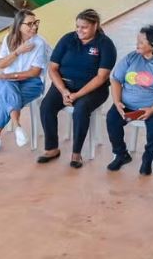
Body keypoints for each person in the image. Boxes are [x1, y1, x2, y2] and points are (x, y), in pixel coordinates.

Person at [38, 9, 116, 168]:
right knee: (46, 106)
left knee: (81, 110)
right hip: (64, 85)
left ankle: (76, 153)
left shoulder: (105, 45)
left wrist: (77, 95)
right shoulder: (68, 39)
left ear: (95, 26)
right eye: (77, 26)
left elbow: (101, 77)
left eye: (84, 27)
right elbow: (52, 68)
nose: (79, 30)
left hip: (93, 90)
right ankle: (52, 148)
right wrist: (64, 91)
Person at [106, 24, 153, 175]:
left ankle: (148, 157)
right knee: (112, 119)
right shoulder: (131, 57)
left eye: (141, 42)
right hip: (127, 105)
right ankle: (121, 154)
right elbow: (115, 79)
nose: (137, 44)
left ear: (152, 45)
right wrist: (117, 102)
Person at [0, 9, 48, 155]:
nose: (34, 27)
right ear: (19, 25)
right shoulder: (9, 39)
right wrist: (17, 51)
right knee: (8, 91)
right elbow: (1, 64)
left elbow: (34, 72)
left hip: (32, 83)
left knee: (4, 98)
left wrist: (9, 76)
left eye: (35, 23)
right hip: (10, 82)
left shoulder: (39, 42)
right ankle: (17, 126)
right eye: (30, 24)